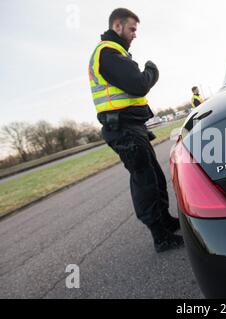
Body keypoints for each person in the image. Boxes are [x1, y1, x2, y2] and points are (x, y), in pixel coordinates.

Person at [88, 8, 183, 253]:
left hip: (132, 127)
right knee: (145, 181)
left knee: (154, 177)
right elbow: (138, 85)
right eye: (132, 29)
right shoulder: (107, 53)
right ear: (117, 26)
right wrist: (152, 70)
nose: (134, 35)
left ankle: (166, 221)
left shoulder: (116, 53)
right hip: (123, 129)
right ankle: (160, 236)